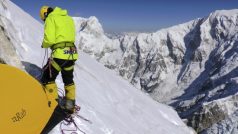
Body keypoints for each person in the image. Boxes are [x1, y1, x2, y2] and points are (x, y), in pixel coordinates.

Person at [39, 6, 78, 114]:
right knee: (68, 80)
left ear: (45, 14)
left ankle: (54, 107)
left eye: (43, 19)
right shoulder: (68, 18)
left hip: (60, 55)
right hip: (71, 54)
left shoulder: (51, 18)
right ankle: (70, 107)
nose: (44, 21)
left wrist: (45, 44)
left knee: (48, 78)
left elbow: (50, 39)